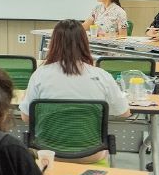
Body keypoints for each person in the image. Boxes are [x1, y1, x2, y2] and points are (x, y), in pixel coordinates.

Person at [20, 19, 130, 163]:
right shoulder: (102, 76)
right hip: (91, 154)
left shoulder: (40, 75)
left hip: (47, 153)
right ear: (85, 43)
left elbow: (26, 117)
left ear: (53, 43)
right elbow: (124, 113)